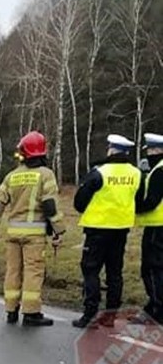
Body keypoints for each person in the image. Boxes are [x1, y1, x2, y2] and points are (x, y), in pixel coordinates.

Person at [0, 131, 65, 327]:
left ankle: (11, 310)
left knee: (12, 272)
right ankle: (31, 313)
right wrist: (59, 230)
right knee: (33, 272)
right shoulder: (46, 175)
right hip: (34, 236)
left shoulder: (12, 176)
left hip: (13, 234)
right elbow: (50, 206)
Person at [72, 134, 143, 328]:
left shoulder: (99, 172)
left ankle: (90, 313)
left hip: (97, 228)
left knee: (90, 270)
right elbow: (138, 199)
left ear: (111, 149)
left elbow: (79, 202)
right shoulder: (136, 173)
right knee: (114, 272)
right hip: (121, 228)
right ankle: (111, 315)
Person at [136, 132, 163, 323]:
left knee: (152, 268)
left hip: (157, 226)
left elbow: (152, 200)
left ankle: (156, 308)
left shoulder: (159, 171)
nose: (148, 155)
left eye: (150, 150)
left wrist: (135, 207)